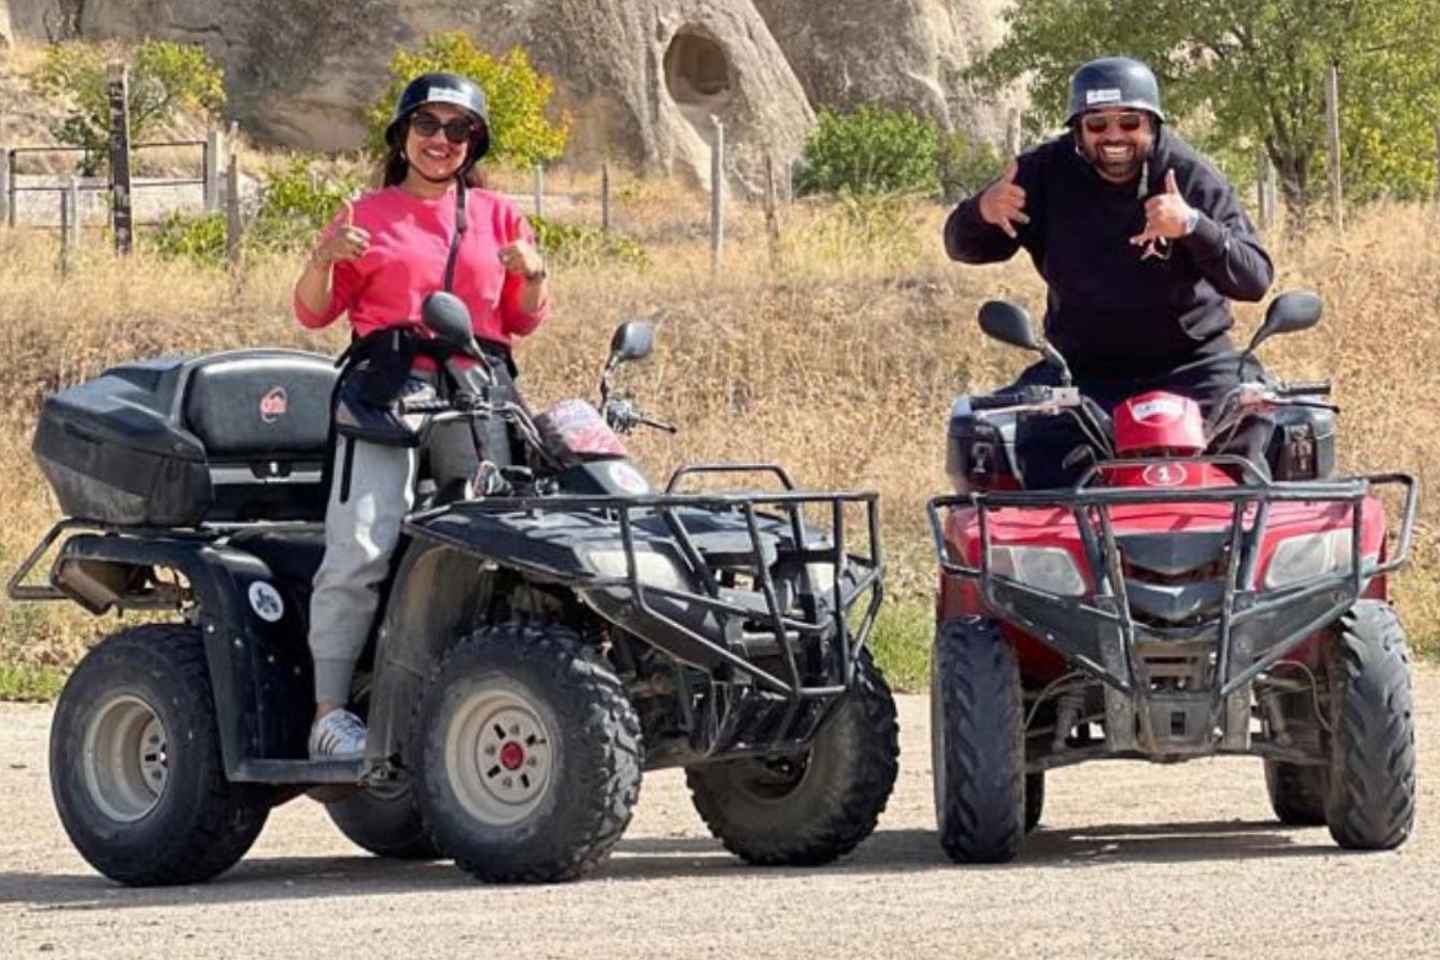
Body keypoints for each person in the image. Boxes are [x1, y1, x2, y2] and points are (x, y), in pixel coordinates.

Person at [293, 72, 550, 759]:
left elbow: (521, 321)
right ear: (402, 136)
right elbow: (313, 310)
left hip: (476, 397)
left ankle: (466, 700)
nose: (442, 141)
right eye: (427, 126)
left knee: (492, 549)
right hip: (386, 395)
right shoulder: (365, 214)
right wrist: (323, 258)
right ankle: (329, 713)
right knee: (363, 547)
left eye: (458, 129)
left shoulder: (499, 214)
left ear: (475, 143)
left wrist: (535, 273)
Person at [943, 56, 1274, 490]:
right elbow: (961, 245)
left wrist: (1194, 226)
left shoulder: (1189, 174)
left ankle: (1241, 548)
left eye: (1129, 123)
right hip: (1082, 370)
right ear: (1078, 130)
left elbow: (1255, 278)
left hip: (1195, 363)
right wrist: (981, 212)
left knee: (1252, 417)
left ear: (1152, 125)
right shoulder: (1042, 172)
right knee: (1034, 442)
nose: (1114, 136)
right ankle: (1066, 553)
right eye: (1098, 125)